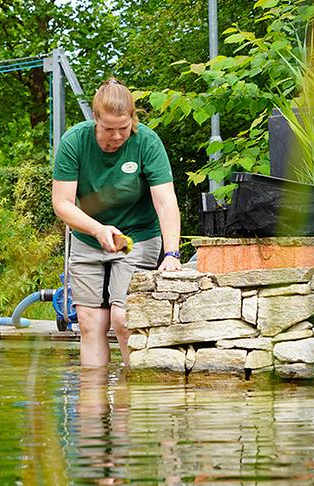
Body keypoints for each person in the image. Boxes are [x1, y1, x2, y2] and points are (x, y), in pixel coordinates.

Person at [51, 77, 182, 368]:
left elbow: (165, 200)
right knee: (89, 323)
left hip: (135, 238)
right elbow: (62, 203)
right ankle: (92, 408)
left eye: (123, 127)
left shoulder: (146, 142)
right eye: (109, 128)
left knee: (123, 319)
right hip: (88, 237)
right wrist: (97, 229)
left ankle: (129, 402)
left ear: (132, 118)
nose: (117, 135)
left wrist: (172, 253)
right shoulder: (75, 142)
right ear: (95, 119)